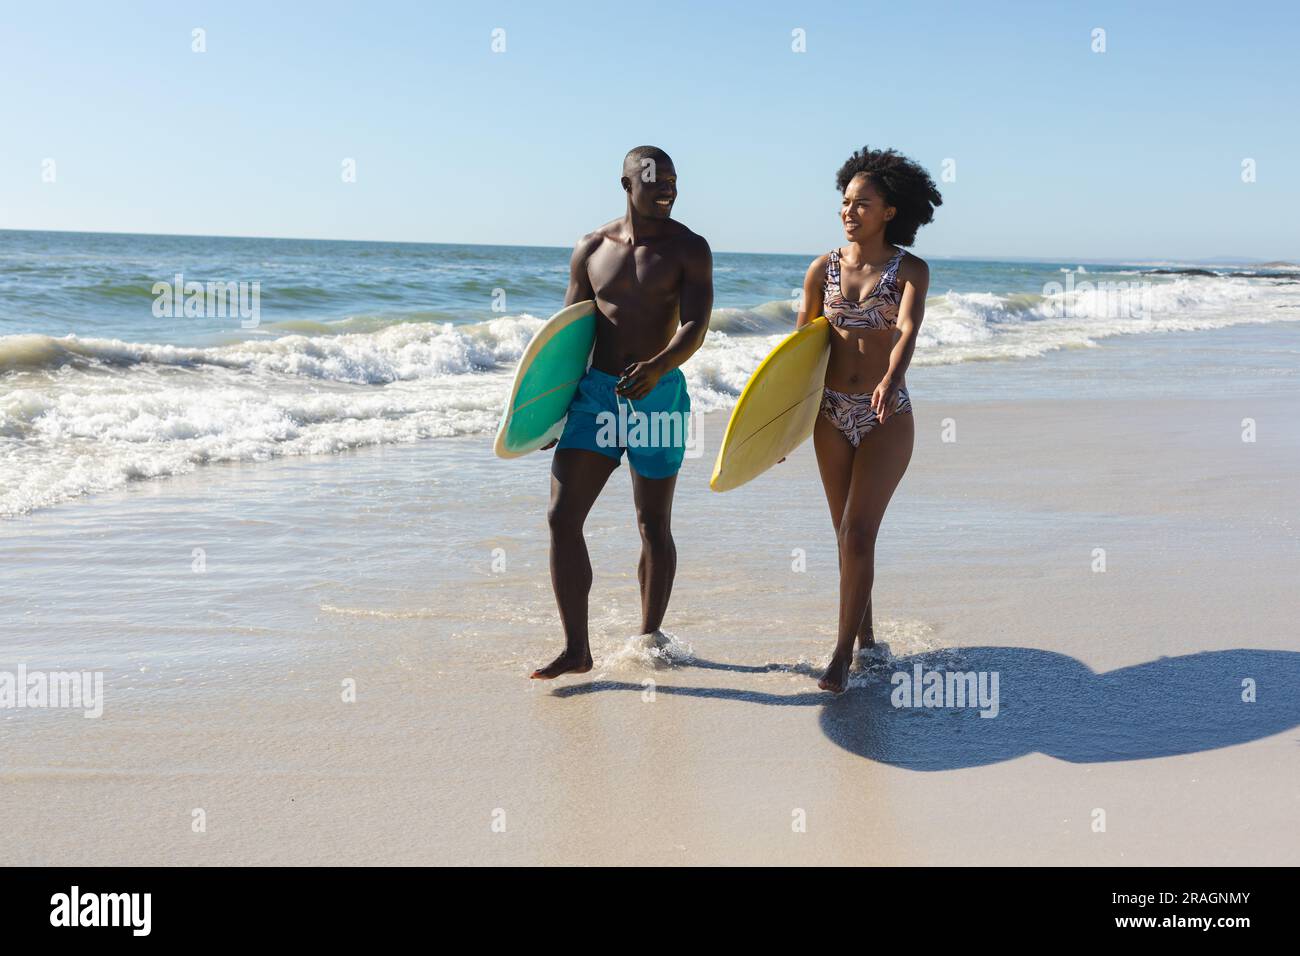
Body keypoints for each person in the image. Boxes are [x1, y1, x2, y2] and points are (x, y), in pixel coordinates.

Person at [530, 146, 713, 680]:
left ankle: (648, 635)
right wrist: (548, 410)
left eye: (673, 182)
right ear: (626, 183)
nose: (666, 190)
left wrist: (657, 367)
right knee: (563, 517)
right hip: (595, 397)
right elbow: (567, 334)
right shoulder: (591, 247)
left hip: (658, 395)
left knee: (652, 522)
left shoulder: (689, 249)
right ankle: (576, 649)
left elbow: (695, 326)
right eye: (653, 181)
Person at [795, 147, 942, 693]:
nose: (849, 211)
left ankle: (840, 656)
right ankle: (866, 637)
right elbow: (799, 351)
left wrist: (891, 378)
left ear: (890, 212)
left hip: (886, 415)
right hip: (829, 414)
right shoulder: (822, 269)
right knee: (846, 536)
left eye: (863, 203)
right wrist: (777, 425)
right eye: (845, 202)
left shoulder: (910, 271)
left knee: (858, 533)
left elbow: (907, 329)